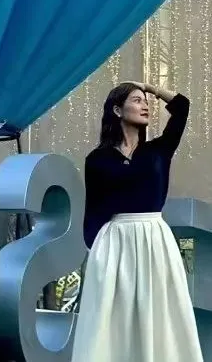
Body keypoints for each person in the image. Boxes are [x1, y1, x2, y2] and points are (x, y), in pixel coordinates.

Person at [70, 81, 203, 362]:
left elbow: (182, 107)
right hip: (114, 243)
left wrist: (150, 88)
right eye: (136, 100)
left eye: (146, 101)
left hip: (155, 240)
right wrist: (99, 254)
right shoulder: (97, 160)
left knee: (160, 317)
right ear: (117, 109)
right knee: (111, 323)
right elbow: (92, 211)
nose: (145, 105)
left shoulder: (158, 150)